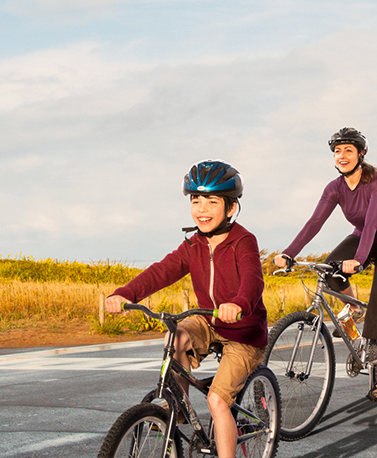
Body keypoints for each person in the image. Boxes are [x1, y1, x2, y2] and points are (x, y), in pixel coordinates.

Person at [103, 160, 267, 458]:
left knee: (218, 401)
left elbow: (253, 282)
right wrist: (126, 293)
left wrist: (239, 305)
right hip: (210, 322)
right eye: (196, 200)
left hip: (245, 332)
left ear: (230, 208)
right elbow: (160, 271)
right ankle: (176, 410)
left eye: (212, 201)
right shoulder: (193, 245)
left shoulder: (244, 241)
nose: (201, 208)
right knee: (175, 336)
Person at [271, 127, 377, 401]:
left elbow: (372, 224)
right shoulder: (334, 188)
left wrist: (358, 260)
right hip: (361, 237)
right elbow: (314, 223)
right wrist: (288, 253)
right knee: (331, 271)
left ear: (361, 153)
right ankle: (355, 308)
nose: (341, 156)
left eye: (348, 150)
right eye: (337, 151)